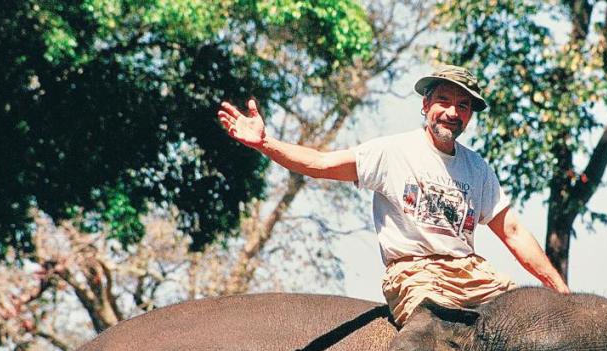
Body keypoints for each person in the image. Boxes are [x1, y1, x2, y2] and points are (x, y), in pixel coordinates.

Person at [217, 64, 569, 328]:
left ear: (470, 116)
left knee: (526, 323)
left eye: (463, 106)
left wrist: (561, 292)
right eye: (443, 100)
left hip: (472, 273)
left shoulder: (478, 169)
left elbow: (513, 232)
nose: (452, 112)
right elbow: (322, 163)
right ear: (425, 104)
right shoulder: (393, 152)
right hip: (416, 274)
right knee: (434, 335)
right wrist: (266, 144)